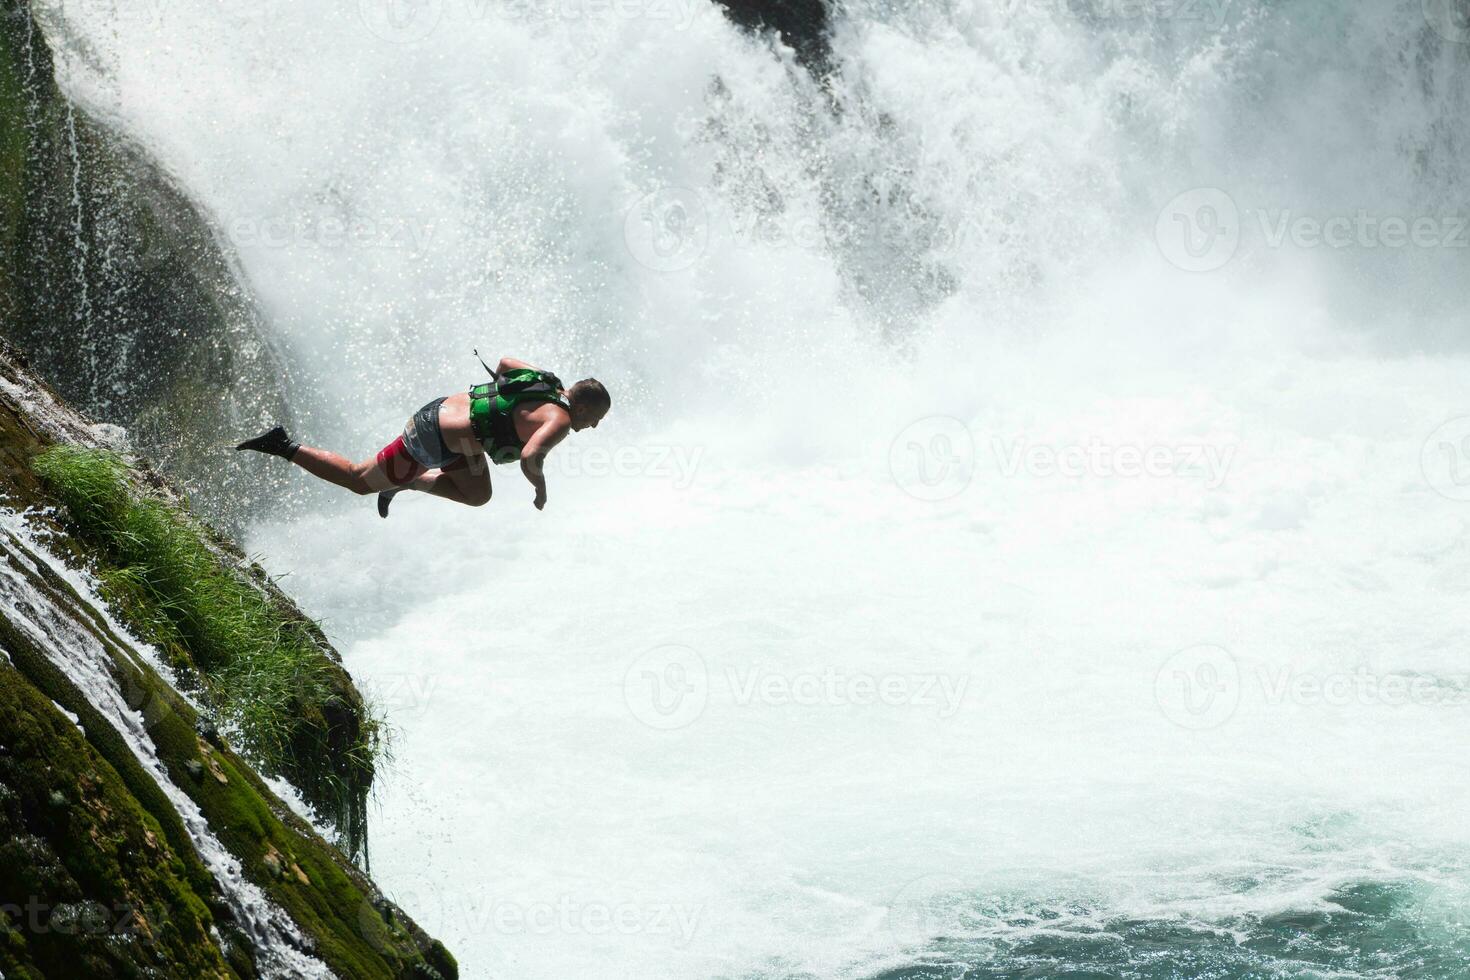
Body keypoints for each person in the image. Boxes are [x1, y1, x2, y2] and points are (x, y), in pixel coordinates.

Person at [236, 356, 610, 518]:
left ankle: (408, 483)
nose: (593, 427)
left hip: (455, 430)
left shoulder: (548, 382)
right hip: (432, 437)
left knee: (479, 495)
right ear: (582, 408)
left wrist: (503, 405)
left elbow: (505, 364)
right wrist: (539, 488)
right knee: (358, 479)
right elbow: (530, 456)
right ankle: (283, 444)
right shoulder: (560, 420)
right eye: (595, 419)